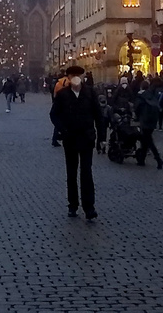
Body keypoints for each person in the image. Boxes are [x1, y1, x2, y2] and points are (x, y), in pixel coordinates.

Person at [50, 66, 101, 220]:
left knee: (86, 172)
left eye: (78, 75)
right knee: (71, 173)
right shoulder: (62, 94)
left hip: (86, 137)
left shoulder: (90, 93)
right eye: (73, 75)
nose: (76, 77)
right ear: (69, 77)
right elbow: (54, 114)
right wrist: (62, 130)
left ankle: (89, 207)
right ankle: (73, 204)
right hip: (70, 138)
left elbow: (98, 115)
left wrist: (102, 138)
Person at [134, 81, 163, 168]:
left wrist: (137, 118)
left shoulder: (140, 96)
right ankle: (142, 160)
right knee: (145, 140)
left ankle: (158, 159)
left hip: (144, 120)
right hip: (152, 121)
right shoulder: (151, 95)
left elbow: (137, 108)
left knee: (148, 141)